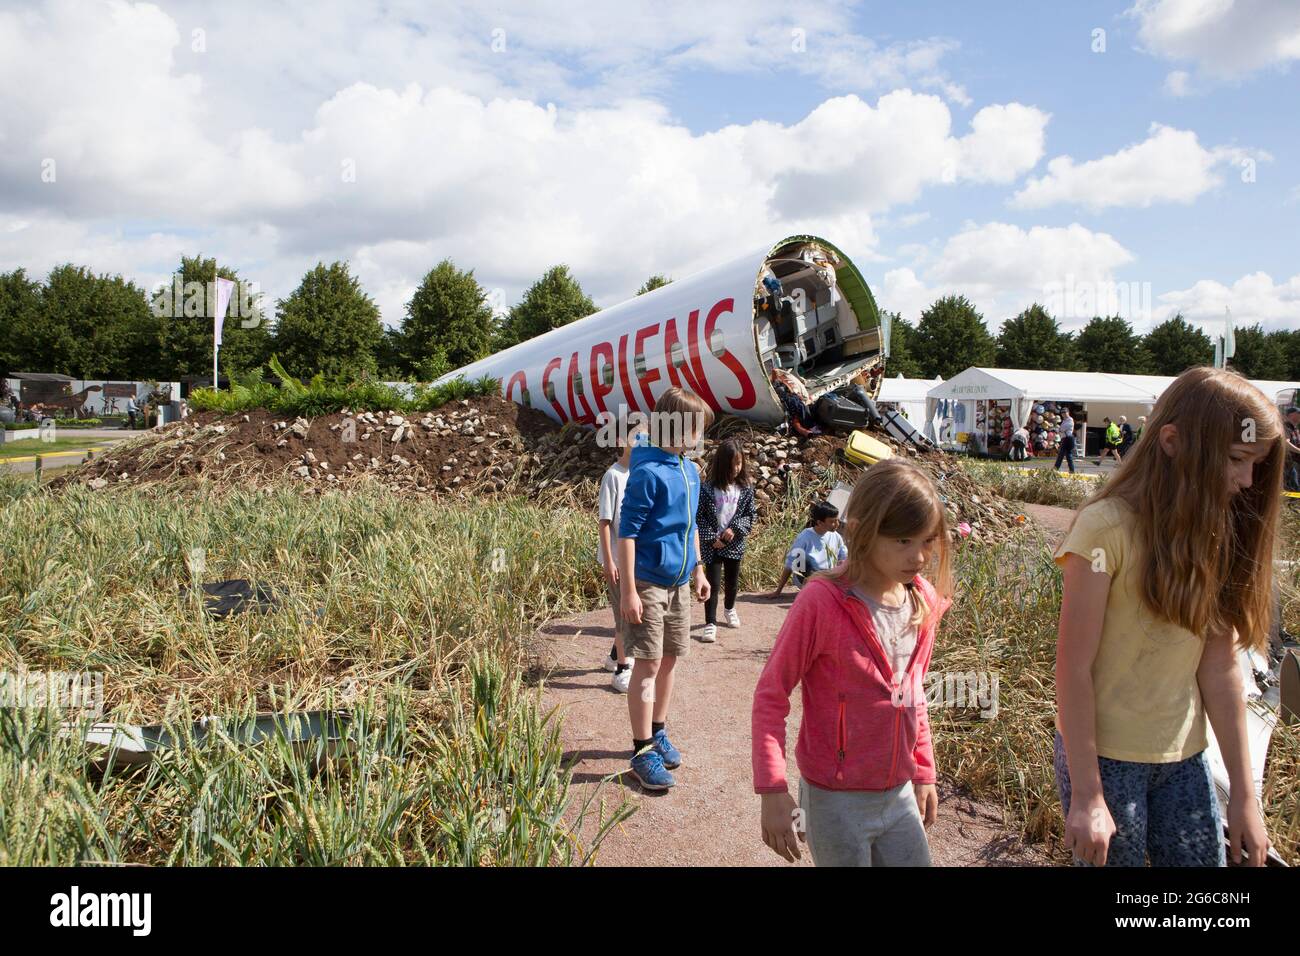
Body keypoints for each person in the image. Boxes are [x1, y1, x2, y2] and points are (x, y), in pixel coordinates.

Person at [1054, 367, 1281, 867]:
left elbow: (1220, 670)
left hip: (1185, 758)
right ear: (1173, 442)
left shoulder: (1217, 533)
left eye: (1256, 464)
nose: (1247, 480)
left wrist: (1246, 796)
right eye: (1238, 459)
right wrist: (1089, 796)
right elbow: (1073, 670)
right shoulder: (1103, 530)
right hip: (1106, 761)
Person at [752, 459, 955, 865]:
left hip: (899, 793)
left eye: (926, 540)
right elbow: (771, 695)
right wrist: (773, 790)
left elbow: (915, 696)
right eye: (902, 541)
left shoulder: (923, 601)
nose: (918, 557)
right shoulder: (820, 602)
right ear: (861, 531)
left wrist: (924, 770)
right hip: (833, 800)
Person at [617, 387, 713, 791]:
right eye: (695, 429)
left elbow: (690, 528)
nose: (699, 438)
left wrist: (700, 571)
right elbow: (627, 533)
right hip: (648, 582)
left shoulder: (688, 470)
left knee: (670, 658)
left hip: (679, 583)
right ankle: (641, 750)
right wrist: (628, 592)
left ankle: (658, 731)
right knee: (648, 664)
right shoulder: (647, 471)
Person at [597, 421, 647, 692]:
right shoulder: (613, 475)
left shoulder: (641, 474)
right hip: (616, 558)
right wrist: (608, 560)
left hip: (636, 560)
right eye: (635, 436)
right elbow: (605, 521)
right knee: (623, 616)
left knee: (629, 613)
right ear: (620, 439)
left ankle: (615, 655)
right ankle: (622, 670)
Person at [696, 438, 756, 644]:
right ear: (721, 464)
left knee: (732, 582)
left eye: (739, 464)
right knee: (711, 584)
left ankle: (730, 608)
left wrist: (735, 529)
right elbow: (699, 516)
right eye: (731, 465)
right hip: (712, 544)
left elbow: (750, 515)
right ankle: (710, 623)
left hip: (734, 543)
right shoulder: (707, 488)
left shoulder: (746, 488)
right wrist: (712, 538)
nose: (735, 469)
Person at [768, 501, 847, 597]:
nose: (837, 524)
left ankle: (825, 588)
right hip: (807, 575)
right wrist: (778, 591)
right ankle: (814, 589)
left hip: (828, 576)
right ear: (819, 522)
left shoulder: (836, 536)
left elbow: (844, 558)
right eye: (832, 521)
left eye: (837, 520)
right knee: (802, 560)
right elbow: (790, 563)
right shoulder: (805, 536)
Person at [1284, 407, 1300, 493]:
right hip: (1286, 462)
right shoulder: (1285, 427)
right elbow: (1286, 444)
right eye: (1299, 413)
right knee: (1292, 486)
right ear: (1291, 415)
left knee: (1294, 486)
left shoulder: (1295, 428)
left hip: (1292, 463)